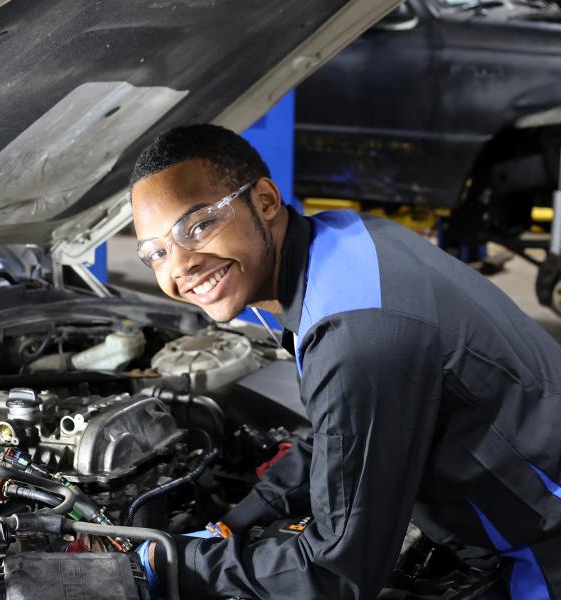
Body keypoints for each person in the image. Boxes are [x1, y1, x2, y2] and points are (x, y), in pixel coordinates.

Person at [129, 124, 561, 599]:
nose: (180, 265)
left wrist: (172, 563)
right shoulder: (344, 241)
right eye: (156, 253)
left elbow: (337, 572)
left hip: (540, 556)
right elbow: (338, 433)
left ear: (266, 201)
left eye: (198, 225)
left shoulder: (356, 337)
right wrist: (233, 524)